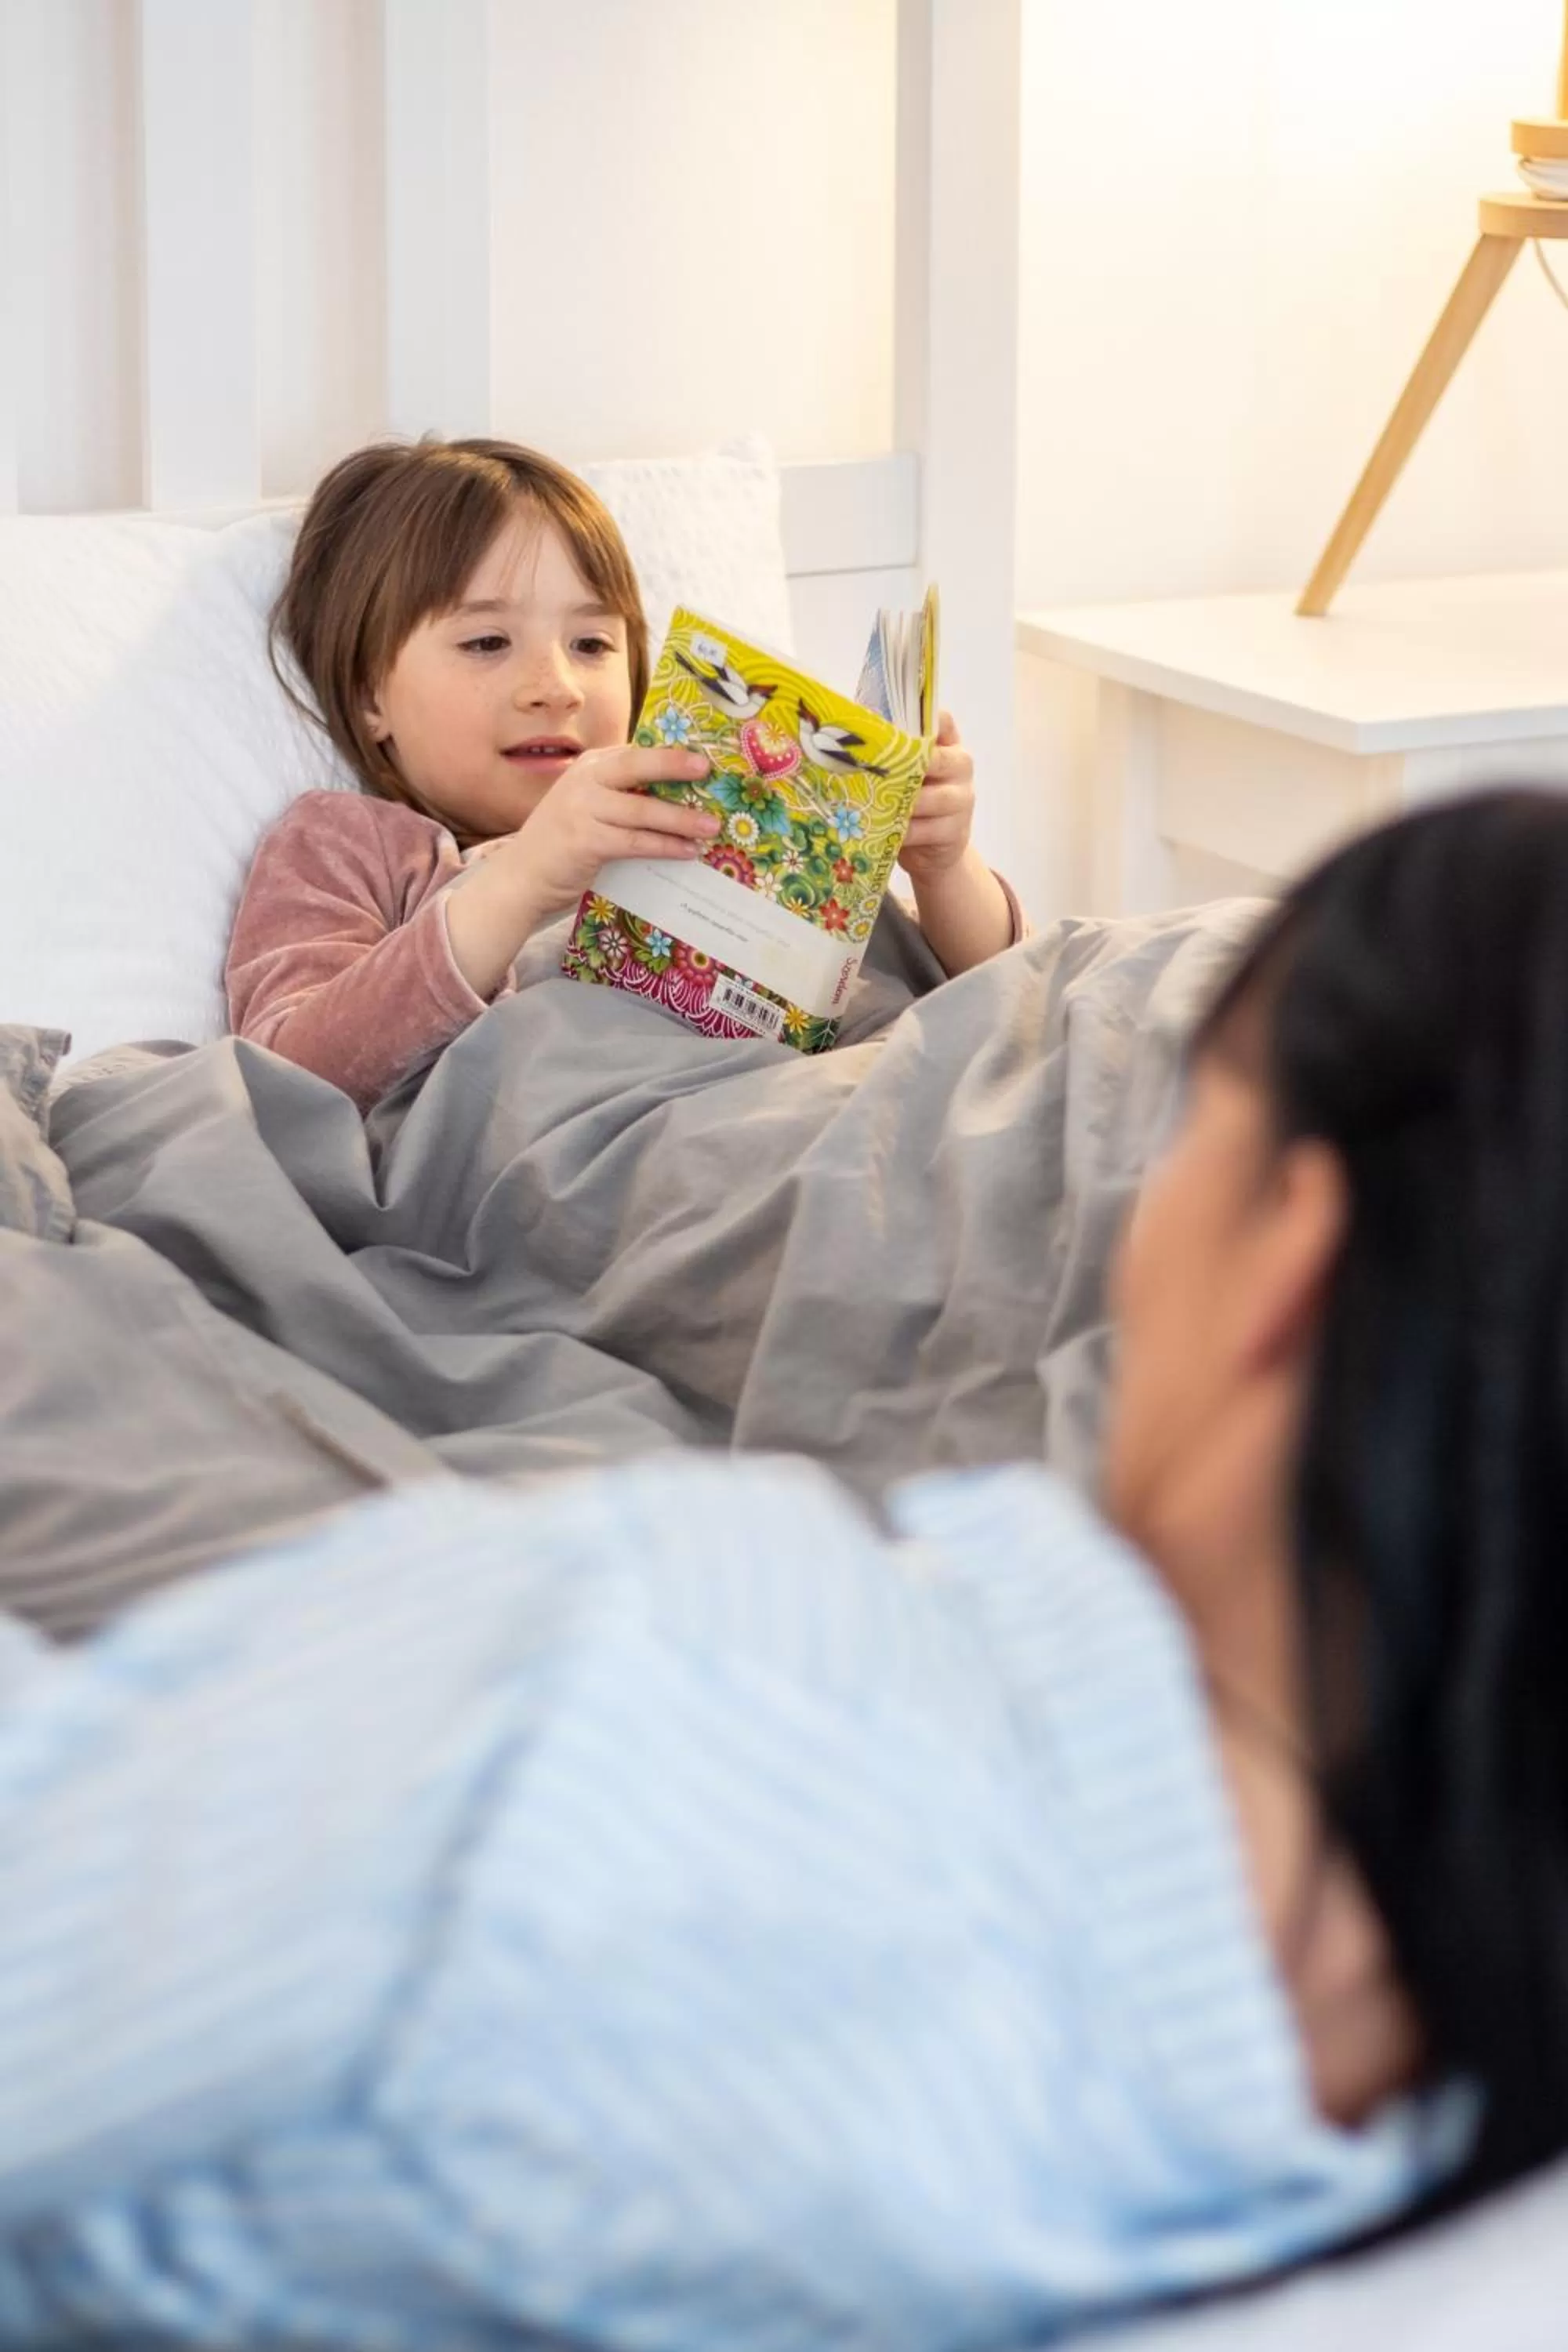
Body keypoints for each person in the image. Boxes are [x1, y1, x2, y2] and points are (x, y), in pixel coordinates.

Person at [5, 790, 1566, 2347]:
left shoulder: (668, 1660)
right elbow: (302, 1058)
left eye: (1193, 1116)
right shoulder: (1425, 2111)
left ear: (1285, 1252)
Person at [227, 437, 1024, 1112]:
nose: (557, 686)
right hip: (663, 1142)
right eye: (485, 643)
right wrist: (527, 874)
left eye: (591, 646)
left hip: (876, 1089)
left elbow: (995, 996)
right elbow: (289, 1077)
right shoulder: (351, 840)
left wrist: (944, 864)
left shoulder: (709, 807)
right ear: (371, 697)